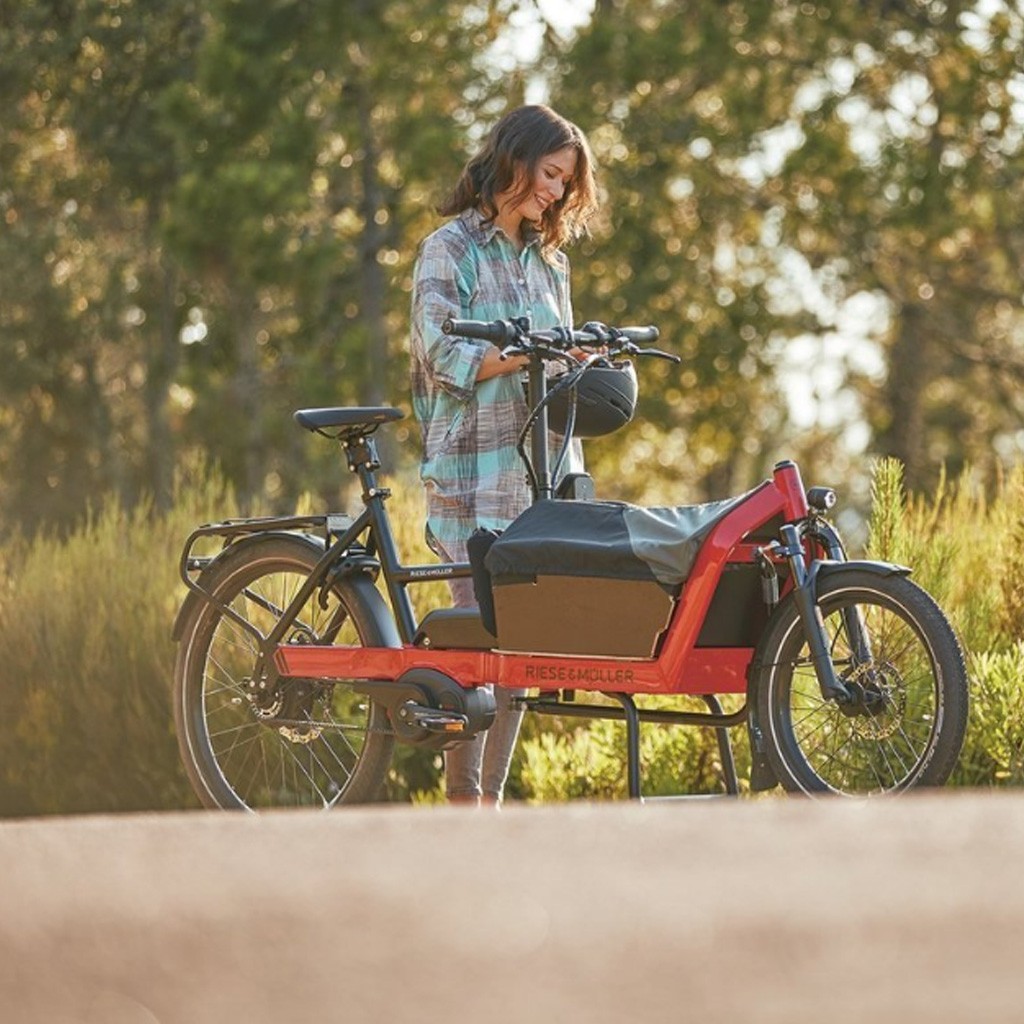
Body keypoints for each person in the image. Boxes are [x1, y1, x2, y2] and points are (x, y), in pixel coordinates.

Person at [409, 104, 599, 807]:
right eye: (550, 174)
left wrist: (579, 357)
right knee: (476, 649)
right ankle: (465, 806)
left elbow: (551, 363)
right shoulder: (449, 248)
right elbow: (440, 352)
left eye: (564, 182)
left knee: (521, 657)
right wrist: (519, 352)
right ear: (516, 160)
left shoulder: (551, 264)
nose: (555, 192)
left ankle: (485, 803)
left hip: (542, 478)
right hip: (472, 477)